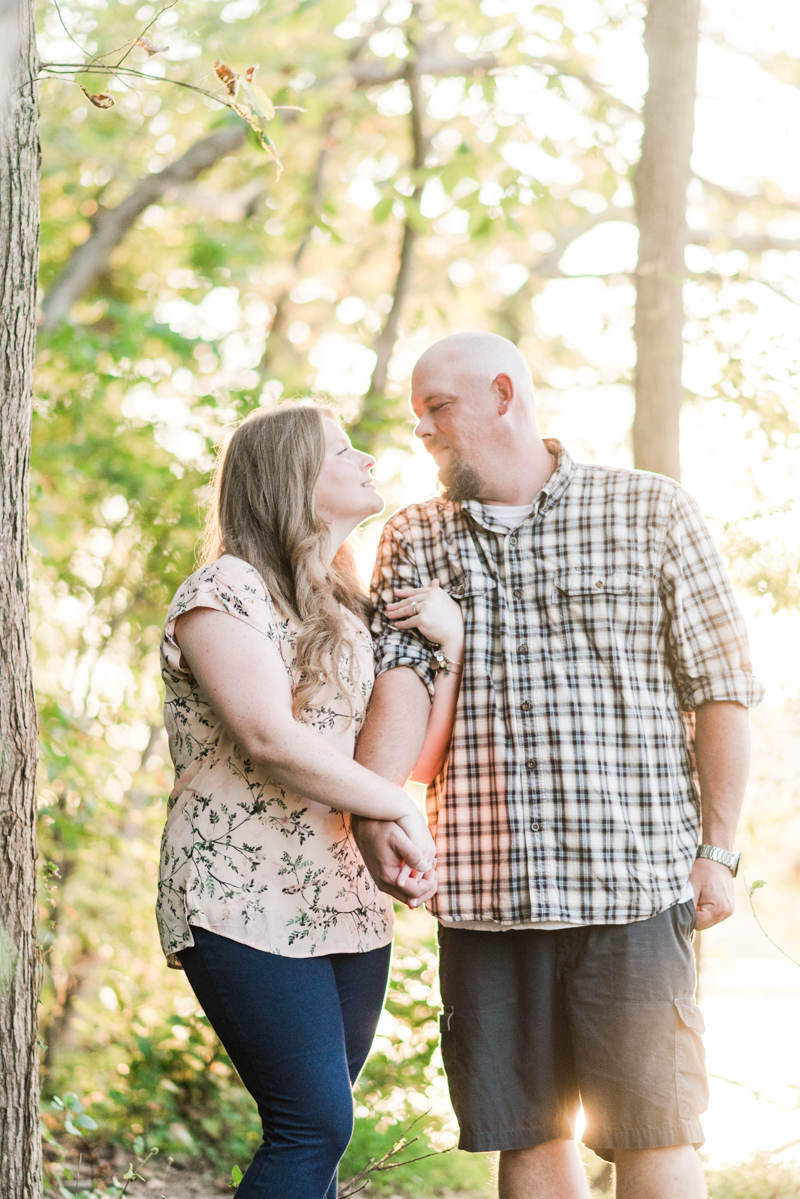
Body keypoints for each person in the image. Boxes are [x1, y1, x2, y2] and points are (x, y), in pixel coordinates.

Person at [353, 332, 764, 1199]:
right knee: (528, 1135)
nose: (422, 431)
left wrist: (718, 850)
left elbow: (723, 691)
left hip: (636, 885)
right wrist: (374, 808)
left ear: (504, 394)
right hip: (485, 893)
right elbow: (401, 690)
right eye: (416, 415)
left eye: (437, 410)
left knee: (654, 1132)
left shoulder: (652, 511)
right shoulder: (415, 536)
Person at [155, 400, 463, 1199]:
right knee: (313, 1123)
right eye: (340, 451)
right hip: (237, 893)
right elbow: (267, 737)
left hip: (345, 899)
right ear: (292, 478)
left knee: (318, 1134)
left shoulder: (352, 610)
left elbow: (408, 759)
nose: (366, 459)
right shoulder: (223, 589)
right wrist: (393, 811)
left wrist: (450, 645)